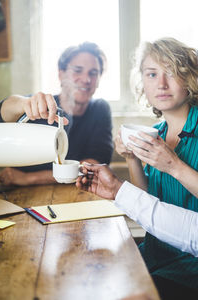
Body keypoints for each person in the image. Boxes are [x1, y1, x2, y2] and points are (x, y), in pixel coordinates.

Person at [77, 38, 198, 299]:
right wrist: (131, 158)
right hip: (154, 253)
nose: (161, 84)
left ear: (190, 79)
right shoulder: (158, 133)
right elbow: (148, 202)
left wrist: (174, 166)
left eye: (173, 72)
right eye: (152, 74)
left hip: (189, 267)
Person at [0, 42, 113, 186]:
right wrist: (22, 103)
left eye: (93, 73)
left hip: (74, 194)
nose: (86, 79)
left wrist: (29, 178)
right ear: (61, 73)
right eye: (77, 70)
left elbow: (95, 164)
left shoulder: (99, 109)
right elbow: (3, 113)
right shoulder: (42, 106)